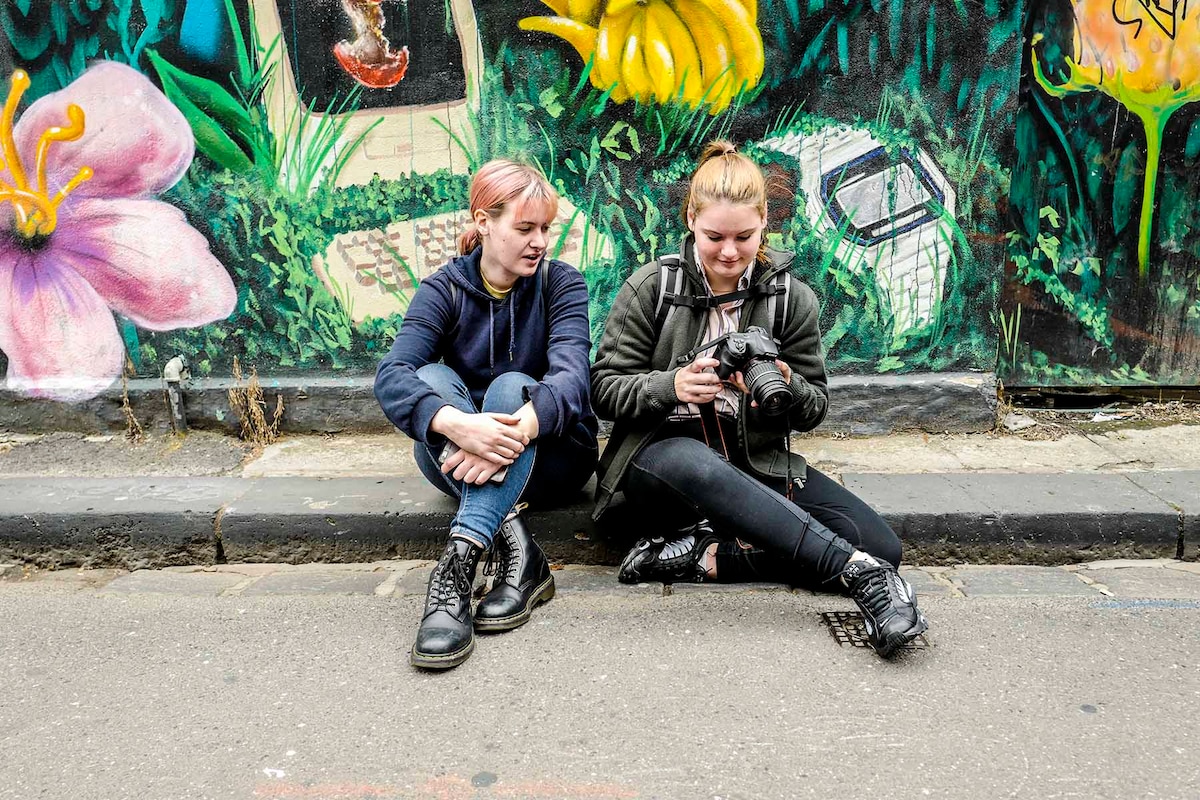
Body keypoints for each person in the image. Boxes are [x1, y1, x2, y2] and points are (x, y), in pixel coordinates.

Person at [590, 141, 927, 657]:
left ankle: (705, 559)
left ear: (765, 222)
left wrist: (786, 388)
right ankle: (859, 577)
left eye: (744, 237)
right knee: (695, 463)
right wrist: (669, 386)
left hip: (753, 463)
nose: (729, 252)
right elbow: (603, 387)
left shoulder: (791, 299)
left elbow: (815, 407)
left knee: (882, 545)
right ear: (690, 219)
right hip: (660, 466)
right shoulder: (653, 287)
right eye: (714, 237)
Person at [375, 159, 598, 670]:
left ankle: (455, 570)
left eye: (545, 228)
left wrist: (512, 431)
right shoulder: (444, 290)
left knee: (508, 388)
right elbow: (392, 374)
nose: (539, 241)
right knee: (429, 382)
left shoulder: (562, 285)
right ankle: (523, 555)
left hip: (553, 459)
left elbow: (572, 379)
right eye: (525, 228)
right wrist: (458, 425)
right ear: (483, 222)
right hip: (462, 453)